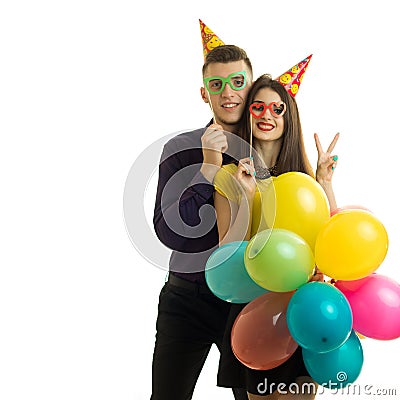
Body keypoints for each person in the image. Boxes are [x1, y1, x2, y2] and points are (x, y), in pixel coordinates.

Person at [213, 72, 340, 399]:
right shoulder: (230, 176)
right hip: (257, 312)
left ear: (289, 118)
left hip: (304, 305)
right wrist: (244, 197)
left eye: (277, 109)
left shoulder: (304, 181)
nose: (267, 115)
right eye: (258, 107)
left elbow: (335, 241)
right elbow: (225, 254)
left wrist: (324, 182)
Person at [150, 38, 254, 400]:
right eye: (217, 84)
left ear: (251, 88)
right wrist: (209, 167)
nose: (228, 93)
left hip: (248, 303)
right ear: (203, 93)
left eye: (238, 83)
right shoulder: (180, 149)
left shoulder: (270, 149)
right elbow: (168, 232)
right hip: (186, 298)